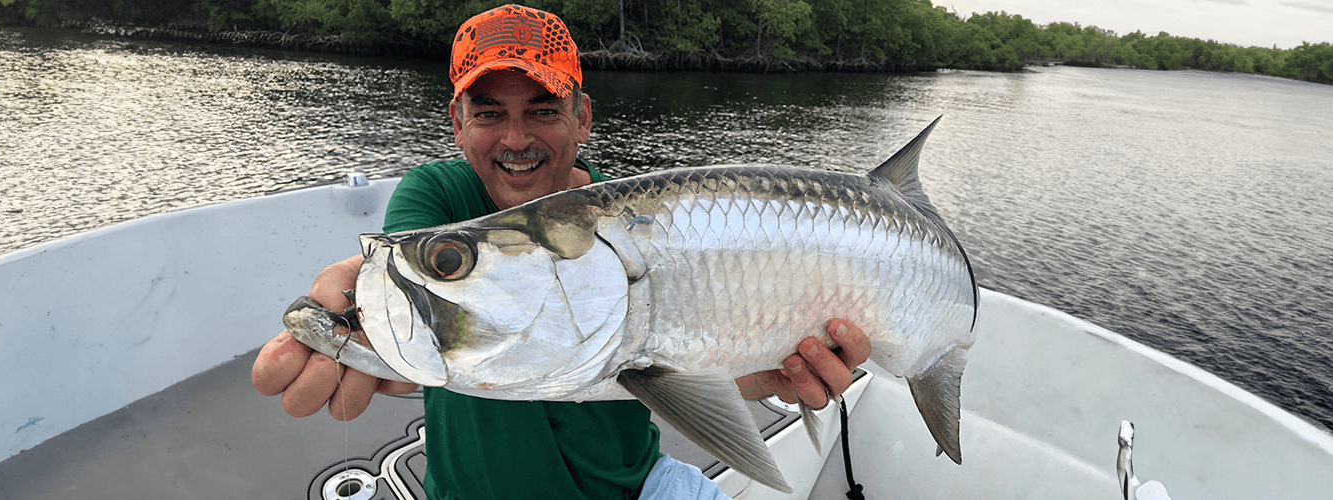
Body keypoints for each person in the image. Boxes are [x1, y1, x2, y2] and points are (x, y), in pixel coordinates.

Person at [250, 5, 870, 499]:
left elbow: (666, 363)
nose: (516, 139)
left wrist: (768, 372)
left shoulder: (631, 222)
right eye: (489, 112)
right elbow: (411, 277)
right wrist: (354, 290)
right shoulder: (437, 194)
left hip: (637, 486)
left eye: (542, 110)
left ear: (582, 118)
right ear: (457, 121)